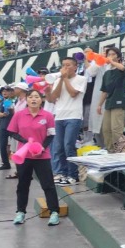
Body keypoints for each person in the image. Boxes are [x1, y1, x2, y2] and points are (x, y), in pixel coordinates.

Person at [7, 89, 61, 226]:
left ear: (41, 99)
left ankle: (54, 212)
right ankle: (20, 212)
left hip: (42, 156)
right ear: (27, 99)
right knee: (23, 185)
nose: (33, 99)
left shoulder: (47, 116)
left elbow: (51, 134)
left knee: (48, 184)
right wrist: (25, 142)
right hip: (24, 156)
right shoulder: (19, 115)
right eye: (31, 97)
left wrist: (42, 147)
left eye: (36, 97)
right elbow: (12, 132)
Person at [47, 56, 86, 186]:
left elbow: (73, 93)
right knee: (58, 147)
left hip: (73, 116)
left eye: (68, 65)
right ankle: (61, 173)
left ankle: (73, 175)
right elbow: (53, 98)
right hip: (59, 116)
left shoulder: (81, 79)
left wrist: (64, 79)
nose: (65, 68)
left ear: (75, 67)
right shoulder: (59, 80)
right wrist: (58, 82)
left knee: (68, 145)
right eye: (63, 65)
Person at [95, 46, 125, 150]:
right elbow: (104, 91)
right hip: (109, 102)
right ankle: (110, 151)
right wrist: (99, 104)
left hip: (119, 101)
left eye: (113, 54)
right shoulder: (107, 73)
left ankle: (119, 151)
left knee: (116, 129)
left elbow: (122, 68)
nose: (110, 56)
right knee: (106, 129)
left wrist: (111, 62)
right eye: (109, 54)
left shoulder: (123, 68)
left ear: (118, 57)